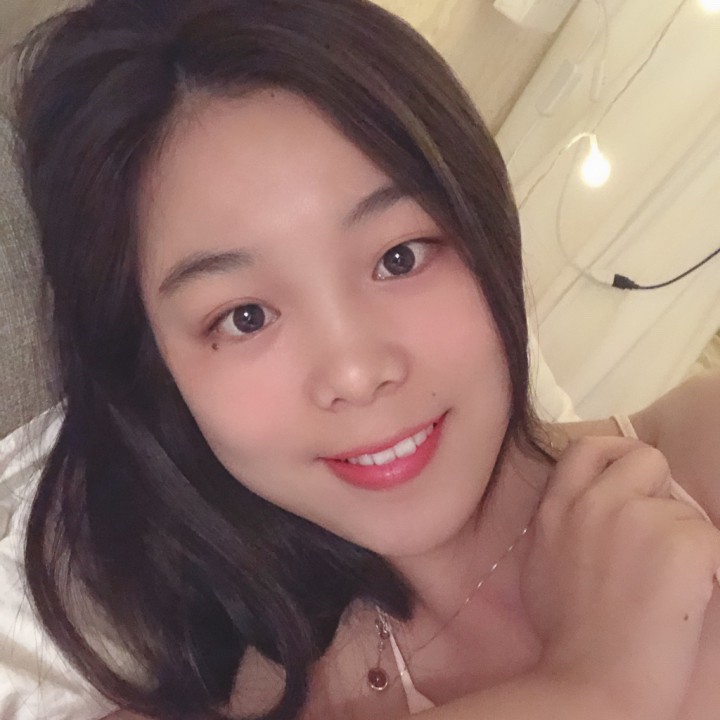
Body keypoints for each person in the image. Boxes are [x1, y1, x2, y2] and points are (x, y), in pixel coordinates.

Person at [9, 0, 720, 718]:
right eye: (245, 317)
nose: (355, 372)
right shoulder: (231, 697)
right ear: (155, 367)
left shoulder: (700, 456)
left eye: (400, 257)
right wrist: (599, 685)